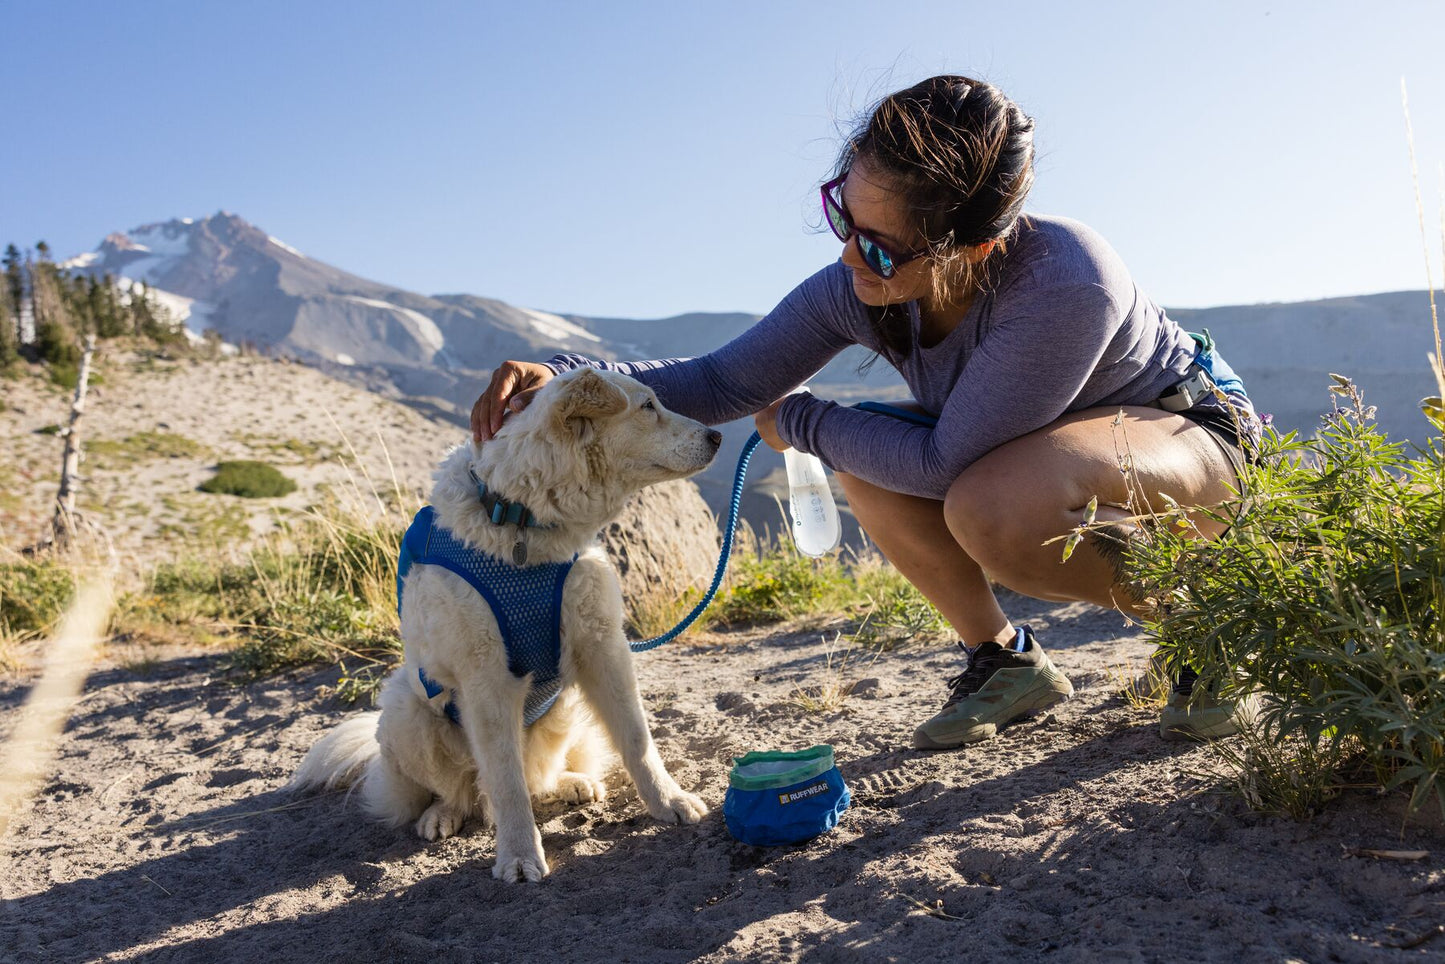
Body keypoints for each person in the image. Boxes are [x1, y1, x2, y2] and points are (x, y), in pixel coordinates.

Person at [470, 75, 1262, 750]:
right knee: (878, 462)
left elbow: (946, 465)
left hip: (1186, 430)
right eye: (840, 216)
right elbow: (717, 380)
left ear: (972, 249)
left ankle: (1217, 624)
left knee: (991, 507)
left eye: (880, 246)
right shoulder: (859, 288)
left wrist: (807, 422)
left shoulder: (1064, 279)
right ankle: (1005, 660)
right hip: (1030, 452)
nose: (849, 256)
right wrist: (568, 376)